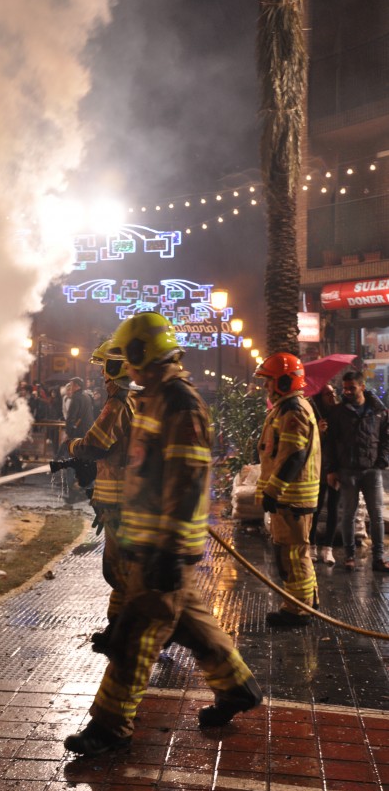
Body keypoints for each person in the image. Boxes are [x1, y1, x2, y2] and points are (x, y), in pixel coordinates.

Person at [64, 312, 262, 758]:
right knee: (193, 624)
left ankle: (110, 727)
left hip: (164, 547)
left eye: (127, 358)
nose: (124, 368)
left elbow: (188, 480)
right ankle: (238, 689)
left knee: (136, 636)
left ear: (140, 354)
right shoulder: (155, 398)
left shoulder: (180, 403)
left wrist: (168, 551)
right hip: (151, 542)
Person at [66, 340, 134, 654]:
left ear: (113, 367)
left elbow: (97, 445)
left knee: (118, 569)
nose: (101, 376)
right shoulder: (130, 400)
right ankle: (119, 627)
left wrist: (73, 446)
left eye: (103, 367)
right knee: (120, 570)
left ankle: (132, 630)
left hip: (120, 500)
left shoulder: (117, 404)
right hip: (123, 498)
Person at [255, 353, 321, 627]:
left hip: (291, 499)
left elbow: (293, 455)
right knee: (297, 553)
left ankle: (297, 611)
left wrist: (273, 491)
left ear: (283, 380)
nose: (266, 386)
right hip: (291, 498)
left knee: (292, 555)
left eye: (269, 381)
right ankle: (308, 602)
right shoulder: (288, 408)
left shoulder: (293, 410)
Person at [326, 370, 389, 573]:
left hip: (372, 470)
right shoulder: (337, 412)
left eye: (351, 388)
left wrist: (381, 461)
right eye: (345, 388)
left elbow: (386, 437)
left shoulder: (378, 411)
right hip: (347, 470)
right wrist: (332, 469)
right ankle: (350, 556)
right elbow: (331, 443)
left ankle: (378, 558)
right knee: (348, 515)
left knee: (377, 515)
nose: (347, 392)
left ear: (362, 386)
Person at [308, 383, 340, 566]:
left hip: (336, 469)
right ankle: (312, 545)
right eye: (328, 394)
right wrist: (318, 432)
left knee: (334, 509)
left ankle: (328, 548)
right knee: (316, 508)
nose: (332, 396)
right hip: (318, 470)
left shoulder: (339, 414)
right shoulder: (313, 416)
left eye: (333, 393)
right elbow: (308, 444)